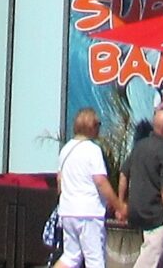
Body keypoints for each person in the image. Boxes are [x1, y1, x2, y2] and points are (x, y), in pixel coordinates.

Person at [55, 109, 126, 268]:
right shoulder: (93, 150)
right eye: (98, 124)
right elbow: (100, 181)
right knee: (95, 260)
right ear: (91, 126)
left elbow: (59, 181)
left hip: (67, 211)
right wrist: (119, 206)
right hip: (88, 212)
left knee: (70, 257)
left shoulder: (65, 150)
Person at [126, 105, 163, 268]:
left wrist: (122, 201)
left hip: (138, 211)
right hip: (157, 214)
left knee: (158, 259)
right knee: (151, 256)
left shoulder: (139, 146)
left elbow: (123, 174)